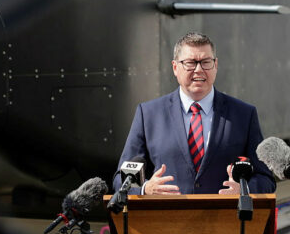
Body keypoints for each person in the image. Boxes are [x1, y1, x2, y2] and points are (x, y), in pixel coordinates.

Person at [113, 32, 275, 195]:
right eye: (190, 63)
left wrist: (244, 190)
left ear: (216, 65)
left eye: (206, 62)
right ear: (175, 67)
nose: (199, 70)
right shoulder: (148, 114)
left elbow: (265, 178)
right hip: (167, 217)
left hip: (225, 217)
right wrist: (144, 189)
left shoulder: (243, 114)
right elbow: (121, 178)